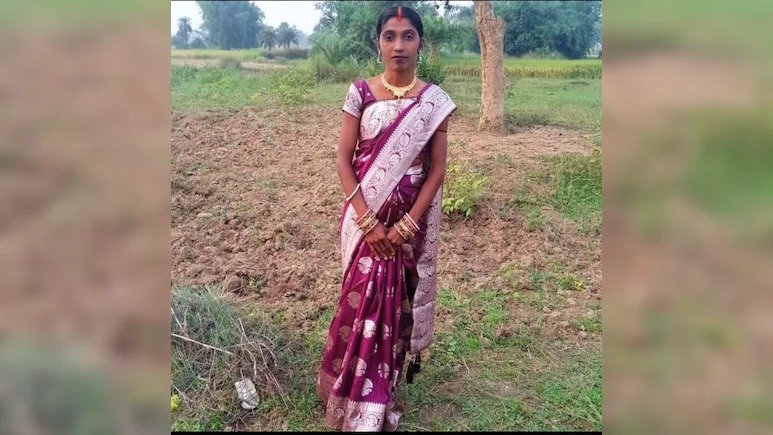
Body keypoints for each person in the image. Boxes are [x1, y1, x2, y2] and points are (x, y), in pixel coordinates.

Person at [316, 5, 456, 432]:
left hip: (405, 229)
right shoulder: (360, 93)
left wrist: (406, 226)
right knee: (360, 301)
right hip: (364, 222)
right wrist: (369, 223)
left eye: (408, 35)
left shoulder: (433, 101)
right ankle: (345, 388)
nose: (399, 45)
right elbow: (344, 161)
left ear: (420, 43)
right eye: (390, 36)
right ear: (378, 43)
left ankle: (377, 397)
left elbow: (436, 170)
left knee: (393, 306)